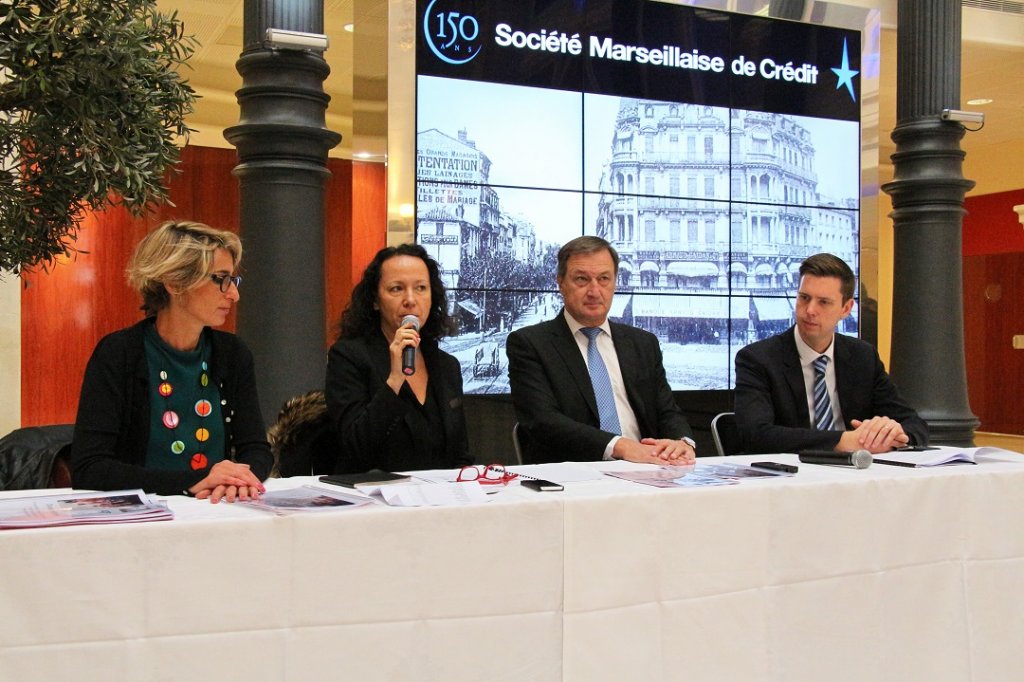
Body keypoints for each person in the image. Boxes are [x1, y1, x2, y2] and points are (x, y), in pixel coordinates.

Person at [70, 221, 271, 502]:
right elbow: (89, 468)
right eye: (220, 279)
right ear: (176, 283)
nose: (233, 294)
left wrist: (237, 479)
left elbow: (257, 450)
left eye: (233, 281)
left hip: (216, 510)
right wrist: (194, 481)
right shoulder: (119, 353)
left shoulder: (232, 353)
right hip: (141, 520)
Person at [506, 236, 696, 465]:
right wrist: (621, 446)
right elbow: (543, 421)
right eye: (582, 279)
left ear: (615, 282)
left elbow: (667, 410)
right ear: (561, 283)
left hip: (650, 471)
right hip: (575, 477)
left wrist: (681, 442)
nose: (594, 291)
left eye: (604, 279)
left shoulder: (643, 343)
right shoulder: (530, 344)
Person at [734, 253, 928, 454]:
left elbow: (915, 425)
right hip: (791, 478)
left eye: (823, 302)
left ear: (846, 308)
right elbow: (755, 435)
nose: (809, 310)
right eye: (804, 298)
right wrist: (843, 441)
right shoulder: (758, 359)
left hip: (856, 475)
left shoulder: (863, 357)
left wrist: (892, 433)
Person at [325, 244, 471, 473]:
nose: (410, 300)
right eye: (396, 289)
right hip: (373, 498)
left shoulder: (447, 365)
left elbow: (459, 453)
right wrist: (394, 381)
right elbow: (354, 448)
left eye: (421, 288)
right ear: (375, 300)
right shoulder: (348, 357)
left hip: (439, 501)